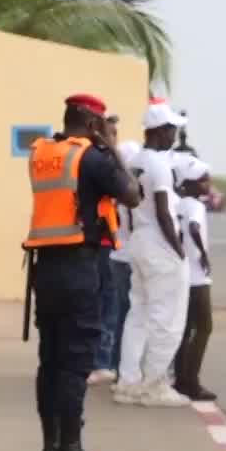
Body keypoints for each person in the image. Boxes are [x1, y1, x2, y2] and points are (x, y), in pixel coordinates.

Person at [22, 94, 138, 451]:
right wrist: (112, 149)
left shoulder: (43, 154)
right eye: (101, 124)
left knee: (50, 360)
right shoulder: (92, 157)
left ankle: (50, 448)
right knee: (75, 362)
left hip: (45, 270)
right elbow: (131, 194)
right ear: (92, 124)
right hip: (79, 269)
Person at [115, 102, 190, 408]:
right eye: (171, 128)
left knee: (139, 315)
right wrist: (179, 250)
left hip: (138, 240)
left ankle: (128, 382)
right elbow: (163, 211)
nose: (175, 133)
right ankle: (154, 384)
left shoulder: (135, 161)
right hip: (159, 242)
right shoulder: (159, 165)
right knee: (167, 318)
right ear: (159, 131)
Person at [170, 154, 217, 402]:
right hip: (198, 278)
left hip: (182, 274)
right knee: (204, 328)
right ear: (188, 183)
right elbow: (194, 228)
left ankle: (180, 378)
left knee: (185, 329)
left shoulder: (178, 204)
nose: (207, 185)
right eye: (202, 181)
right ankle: (192, 381)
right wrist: (203, 254)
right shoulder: (196, 207)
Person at [89, 113, 131, 386]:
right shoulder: (101, 164)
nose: (113, 139)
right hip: (102, 245)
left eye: (115, 133)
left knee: (113, 306)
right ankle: (103, 362)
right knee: (107, 306)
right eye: (109, 133)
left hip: (115, 246)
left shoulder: (106, 162)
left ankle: (109, 361)